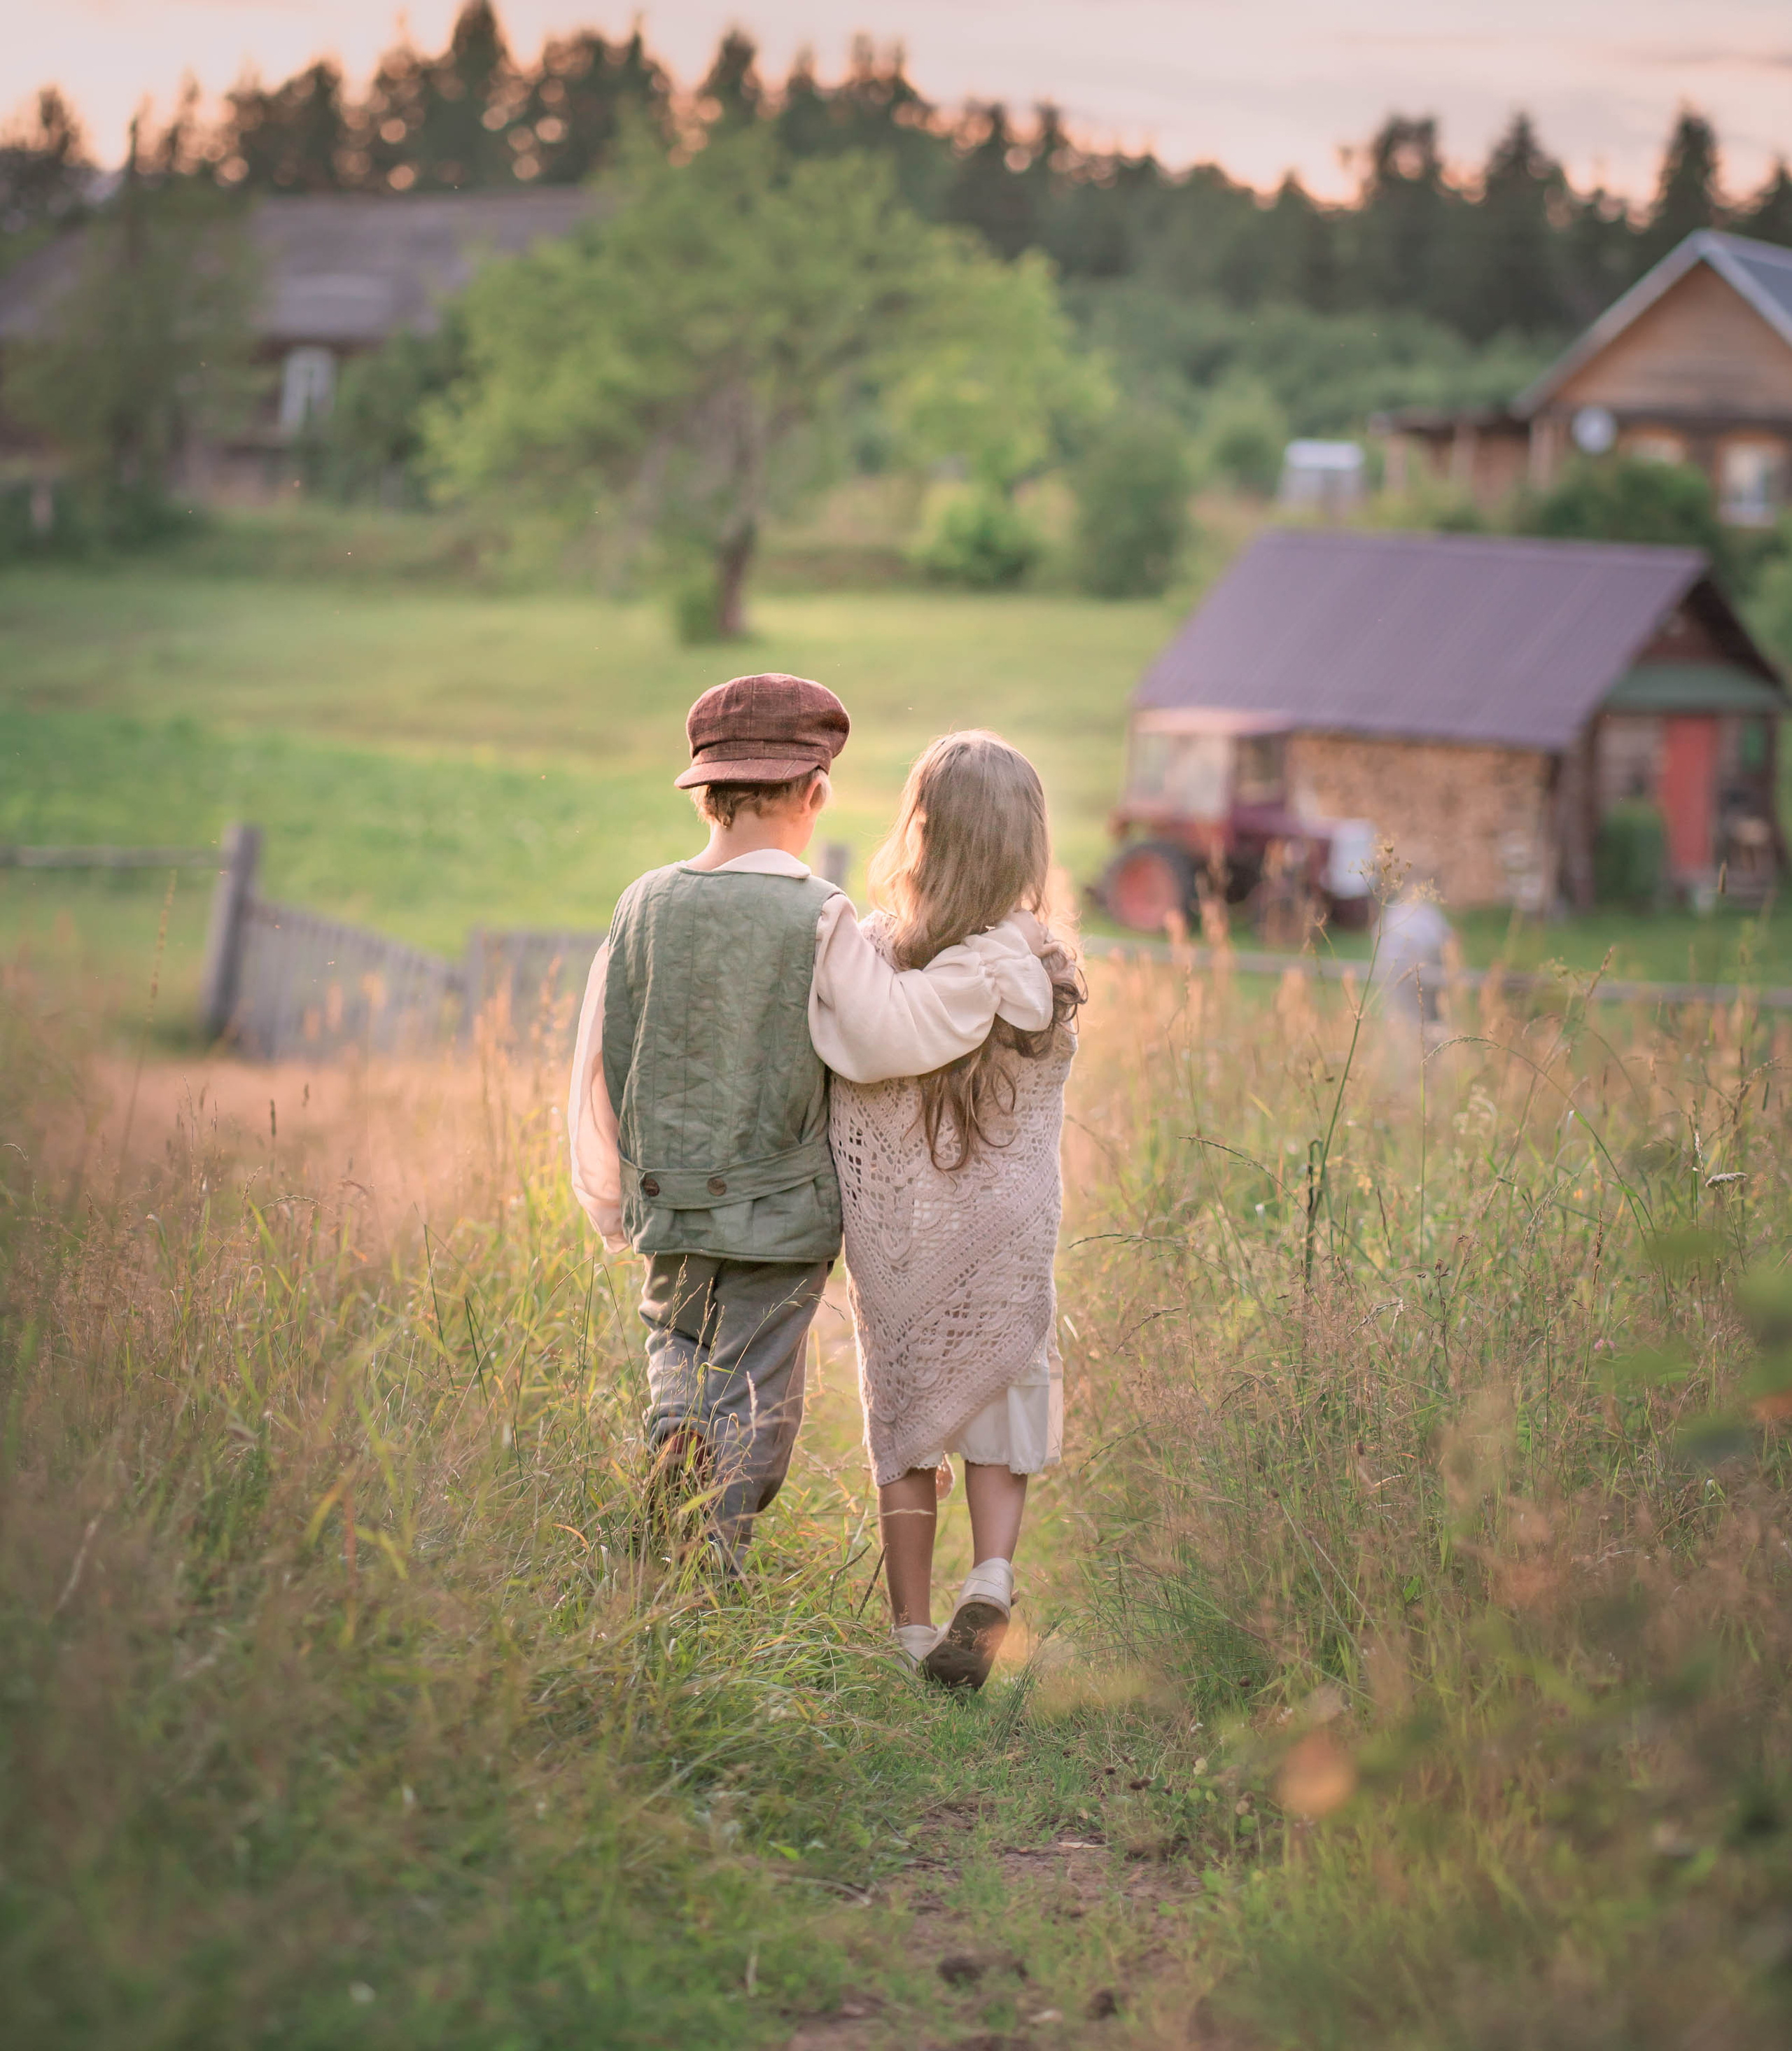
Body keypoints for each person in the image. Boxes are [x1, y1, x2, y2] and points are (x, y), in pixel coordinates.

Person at [567, 674, 1054, 1573]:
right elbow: (885, 1036)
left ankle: (676, 1435)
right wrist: (985, 970)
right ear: (816, 790)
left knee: (678, 1343)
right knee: (756, 1389)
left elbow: (601, 1057)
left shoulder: (640, 904)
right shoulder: (816, 913)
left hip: (664, 1200)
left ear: (703, 792)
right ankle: (709, 1558)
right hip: (777, 1211)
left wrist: (609, 1193)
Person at [831, 732, 1082, 1688]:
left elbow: (854, 1058)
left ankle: (909, 1628)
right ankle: (991, 1575)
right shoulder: (1044, 970)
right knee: (1002, 1402)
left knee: (906, 1422)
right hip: (1007, 1231)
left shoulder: (879, 960)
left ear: (921, 832)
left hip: (907, 1239)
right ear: (1026, 842)